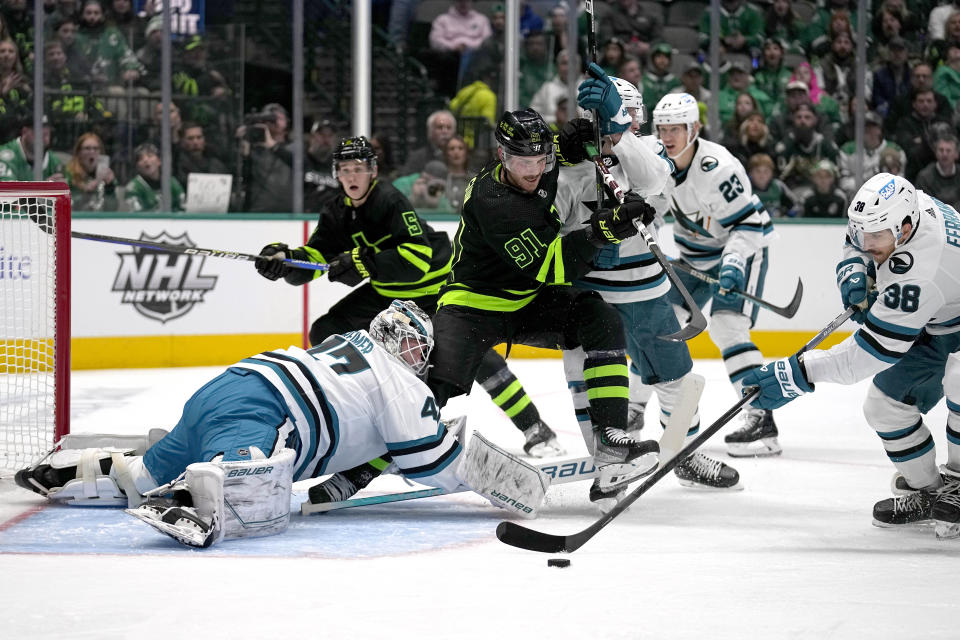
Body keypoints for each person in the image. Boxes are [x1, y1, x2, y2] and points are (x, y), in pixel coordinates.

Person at [15, 300, 548, 548]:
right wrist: (510, 481)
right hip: (265, 413)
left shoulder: (352, 343)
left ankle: (69, 472)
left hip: (228, 386)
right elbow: (432, 464)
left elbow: (372, 442)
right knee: (250, 493)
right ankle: (185, 498)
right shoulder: (403, 384)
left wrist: (356, 475)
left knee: (137, 477)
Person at [254, 136, 563, 502]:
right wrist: (286, 261)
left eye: (359, 169)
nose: (352, 176)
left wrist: (364, 261)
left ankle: (535, 428)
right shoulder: (336, 209)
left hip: (433, 287)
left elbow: (417, 259)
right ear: (337, 174)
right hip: (389, 290)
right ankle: (353, 417)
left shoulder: (389, 201)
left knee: (472, 355)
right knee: (326, 330)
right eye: (345, 170)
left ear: (373, 171)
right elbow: (318, 255)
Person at [425, 108, 662, 495]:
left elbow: (557, 159)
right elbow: (550, 266)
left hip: (527, 300)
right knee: (438, 386)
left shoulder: (534, 164)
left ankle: (611, 443)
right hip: (474, 306)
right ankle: (381, 453)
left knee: (600, 320)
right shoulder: (494, 200)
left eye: (541, 159)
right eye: (523, 161)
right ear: (502, 156)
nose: (534, 170)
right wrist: (603, 230)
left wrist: (569, 145)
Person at [741, 174, 960, 538]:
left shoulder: (921, 269)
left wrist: (800, 372)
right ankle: (929, 492)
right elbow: (854, 237)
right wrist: (854, 269)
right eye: (864, 233)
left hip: (940, 310)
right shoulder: (904, 208)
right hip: (940, 318)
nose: (866, 242)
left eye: (876, 237)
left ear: (905, 229)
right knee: (883, 408)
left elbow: (870, 354)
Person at [568, 68, 742, 502]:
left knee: (675, 374)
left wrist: (618, 129)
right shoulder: (572, 159)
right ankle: (606, 463)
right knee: (584, 376)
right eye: (615, 112)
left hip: (646, 288)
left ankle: (684, 453)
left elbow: (651, 180)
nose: (627, 120)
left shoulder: (647, 149)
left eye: (628, 113)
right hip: (589, 291)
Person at [643, 92, 781, 458]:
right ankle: (633, 411)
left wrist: (734, 263)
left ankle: (760, 416)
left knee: (726, 324)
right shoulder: (654, 160)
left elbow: (748, 226)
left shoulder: (719, 168)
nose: (668, 135)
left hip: (744, 245)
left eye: (676, 128)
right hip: (693, 256)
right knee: (657, 323)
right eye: (662, 128)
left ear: (695, 129)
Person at [123, 142, 185, 212]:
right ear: (137, 166)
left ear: (159, 161)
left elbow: (182, 209)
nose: (145, 160)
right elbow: (137, 217)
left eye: (149, 156)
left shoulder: (171, 182)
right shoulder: (133, 188)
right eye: (140, 159)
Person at [0, 115, 66, 181]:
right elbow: (8, 189)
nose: (45, 139)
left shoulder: (54, 160)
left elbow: (71, 187)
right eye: (40, 134)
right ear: (24, 132)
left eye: (47, 134)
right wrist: (45, 187)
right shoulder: (4, 156)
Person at [65, 131, 117, 211]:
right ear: (79, 152)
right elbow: (67, 207)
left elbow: (113, 209)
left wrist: (109, 188)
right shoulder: (69, 175)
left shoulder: (107, 176)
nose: (92, 152)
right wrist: (86, 193)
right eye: (87, 148)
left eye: (96, 149)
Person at [396, 109, 456, 177]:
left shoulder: (461, 157)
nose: (445, 131)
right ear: (430, 131)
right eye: (440, 127)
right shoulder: (417, 157)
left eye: (449, 128)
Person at [176, 121, 229, 189]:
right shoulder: (177, 165)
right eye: (190, 138)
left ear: (204, 139)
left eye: (199, 137)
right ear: (182, 141)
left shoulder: (216, 164)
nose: (195, 142)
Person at [915, 134, 960, 209]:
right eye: (941, 150)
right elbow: (923, 205)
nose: (944, 154)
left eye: (948, 150)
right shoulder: (924, 177)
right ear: (936, 153)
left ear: (956, 154)